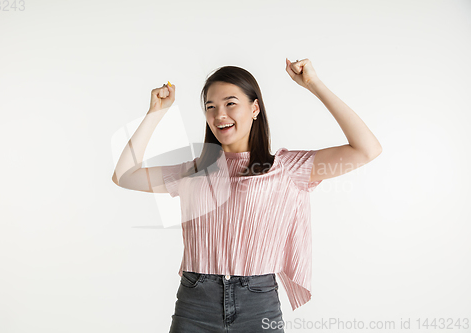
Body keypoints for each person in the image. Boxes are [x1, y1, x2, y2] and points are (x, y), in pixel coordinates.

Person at [112, 58, 382, 332]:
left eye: (230, 103)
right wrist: (155, 112)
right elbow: (123, 175)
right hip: (195, 304)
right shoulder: (192, 171)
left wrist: (314, 84)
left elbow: (366, 149)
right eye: (211, 107)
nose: (219, 115)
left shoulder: (287, 168)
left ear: (254, 108)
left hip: (257, 303)